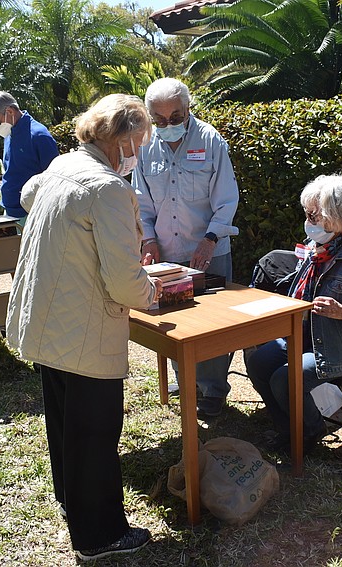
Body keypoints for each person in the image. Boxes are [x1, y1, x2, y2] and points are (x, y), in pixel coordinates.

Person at [6, 94, 162, 562]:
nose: (140, 152)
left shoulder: (61, 168)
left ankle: (72, 502)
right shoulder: (109, 189)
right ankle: (99, 535)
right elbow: (123, 281)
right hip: (84, 330)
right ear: (123, 140)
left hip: (47, 323)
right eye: (140, 142)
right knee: (94, 433)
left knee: (65, 423)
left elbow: (27, 194)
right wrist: (153, 293)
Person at [246, 175, 342, 452]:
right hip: (303, 335)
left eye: (313, 215)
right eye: (307, 213)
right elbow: (298, 292)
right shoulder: (318, 246)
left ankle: (310, 433)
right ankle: (290, 429)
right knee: (258, 361)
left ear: (337, 215)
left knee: (285, 377)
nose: (308, 220)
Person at [132, 77, 240, 419]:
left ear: (188, 109)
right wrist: (148, 239)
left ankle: (213, 390)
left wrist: (210, 240)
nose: (167, 125)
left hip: (209, 252)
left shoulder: (211, 141)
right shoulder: (145, 145)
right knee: (174, 324)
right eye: (159, 120)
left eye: (175, 118)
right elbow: (141, 202)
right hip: (167, 254)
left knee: (213, 328)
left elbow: (226, 200)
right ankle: (185, 380)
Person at [0, 90, 59, 223]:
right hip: (10, 211)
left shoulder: (39, 136)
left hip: (31, 214)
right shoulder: (9, 133)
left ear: (10, 111)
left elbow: (53, 180)